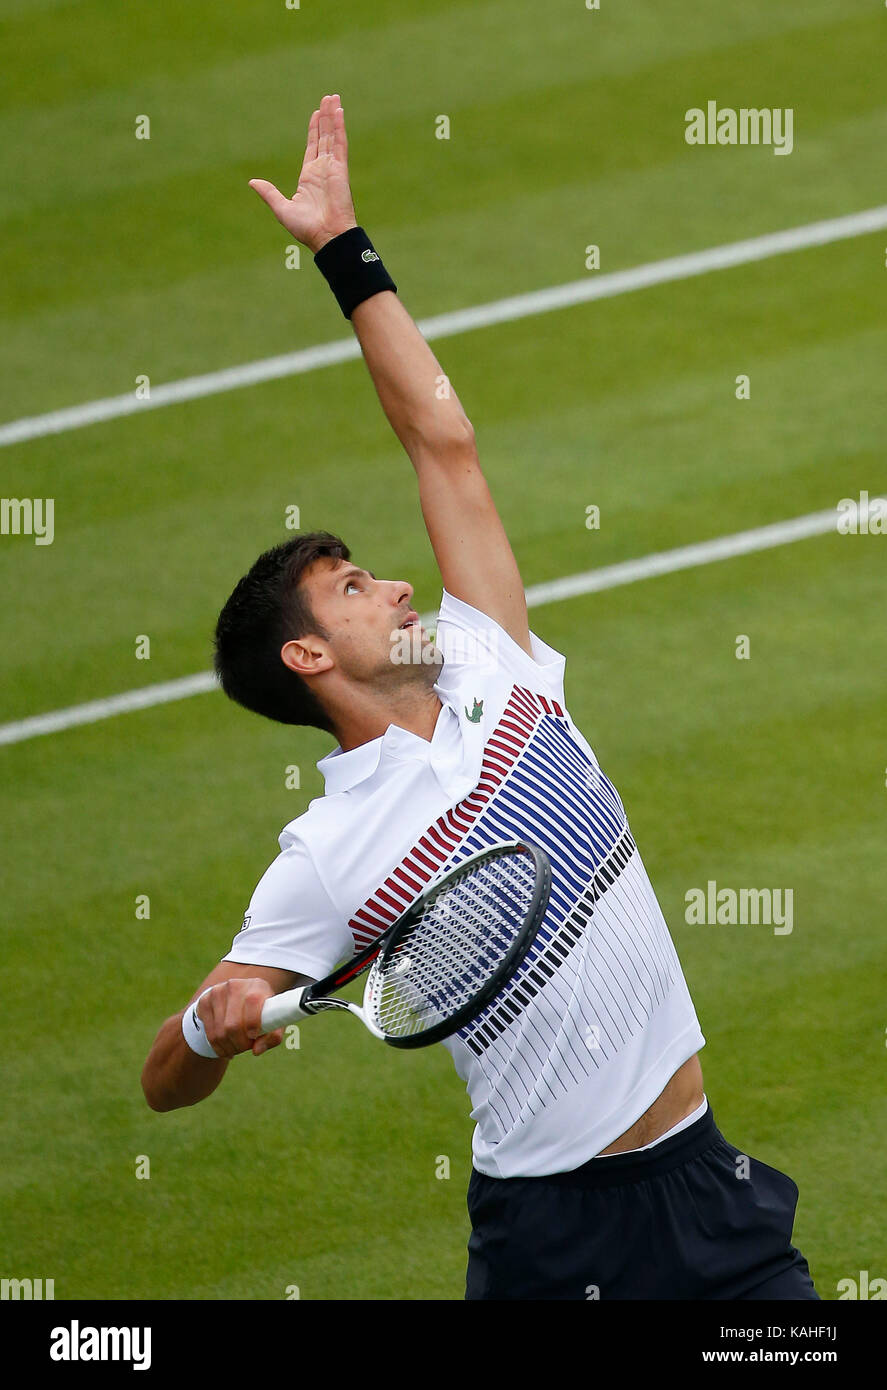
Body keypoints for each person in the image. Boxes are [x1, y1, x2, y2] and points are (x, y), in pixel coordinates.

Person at [142, 94, 818, 1301]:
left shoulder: (487, 656)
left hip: (709, 1191)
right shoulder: (327, 854)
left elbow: (440, 442)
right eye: (353, 587)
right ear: (307, 658)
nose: (397, 582)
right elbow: (164, 1078)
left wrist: (343, 251)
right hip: (556, 1245)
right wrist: (211, 1025)